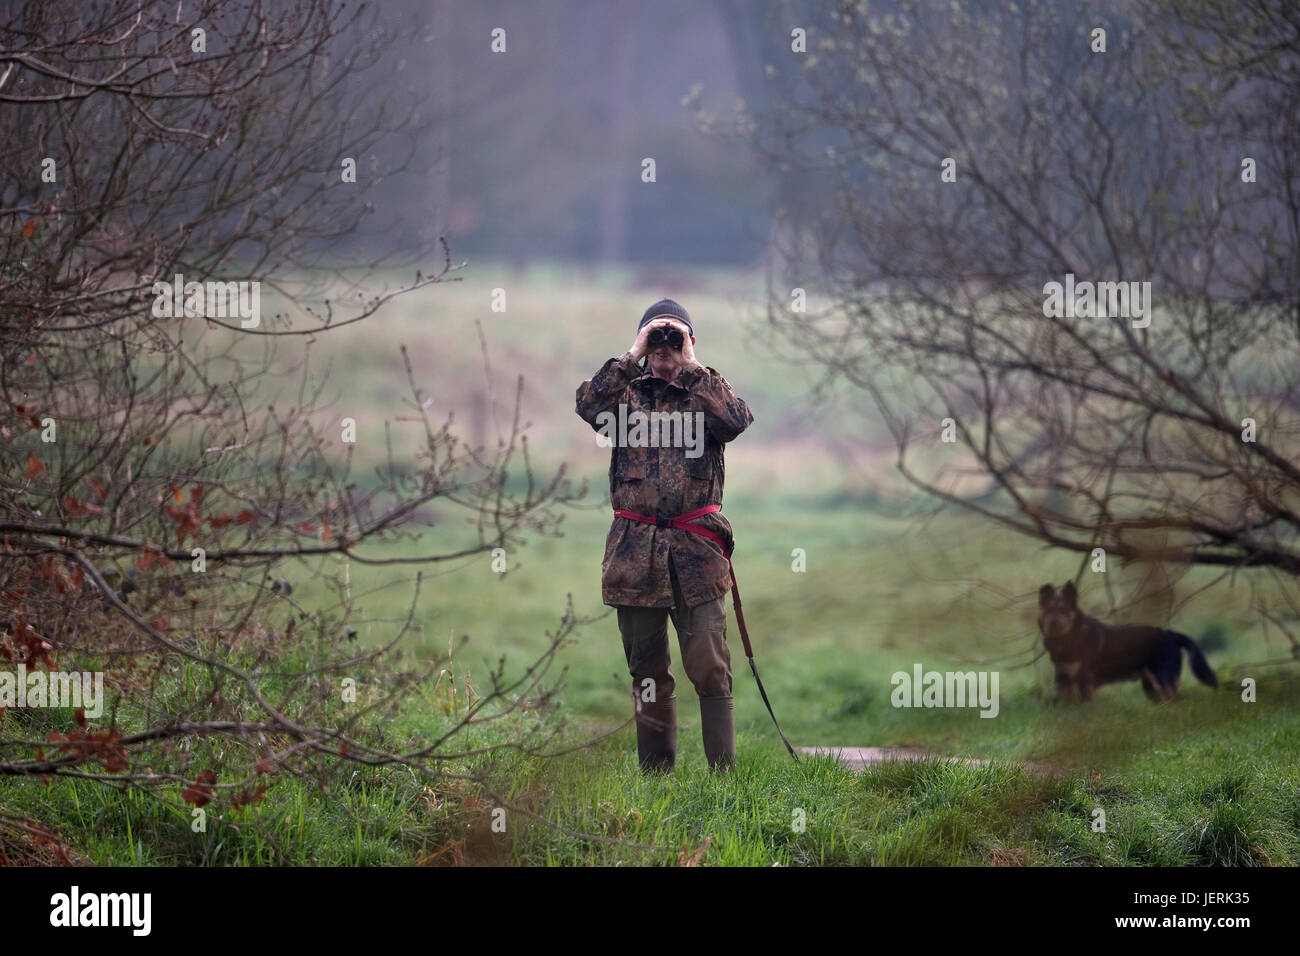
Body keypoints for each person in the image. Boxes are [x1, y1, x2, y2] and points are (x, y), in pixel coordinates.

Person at [575, 298, 754, 773]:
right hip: (635, 556)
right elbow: (587, 406)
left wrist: (692, 364)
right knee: (647, 672)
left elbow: (735, 421)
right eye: (656, 339)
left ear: (690, 344)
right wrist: (632, 353)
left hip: (697, 555)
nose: (664, 349)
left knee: (710, 667)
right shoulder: (624, 395)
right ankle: (656, 779)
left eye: (674, 339)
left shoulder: (706, 393)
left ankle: (724, 780)